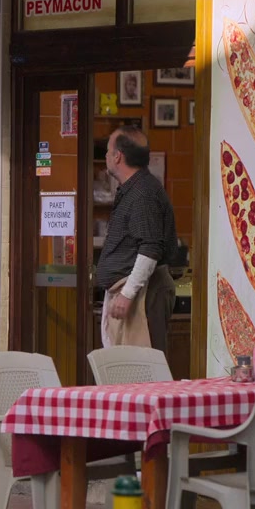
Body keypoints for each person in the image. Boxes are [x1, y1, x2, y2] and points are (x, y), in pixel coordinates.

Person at [95, 126, 178, 353]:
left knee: (143, 367)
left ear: (117, 156)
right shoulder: (134, 189)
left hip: (144, 294)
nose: (106, 156)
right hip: (134, 292)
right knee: (126, 366)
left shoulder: (143, 193)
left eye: (108, 150)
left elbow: (150, 248)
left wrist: (127, 294)